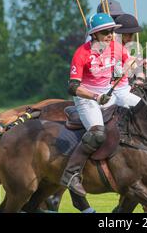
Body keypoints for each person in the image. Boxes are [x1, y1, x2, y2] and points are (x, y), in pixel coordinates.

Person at [60, 13, 141, 197]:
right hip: (87, 98)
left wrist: (138, 64)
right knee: (97, 134)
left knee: (143, 109)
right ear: (94, 35)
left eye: (112, 31)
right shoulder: (82, 53)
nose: (110, 35)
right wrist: (95, 97)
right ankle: (71, 174)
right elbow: (73, 87)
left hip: (111, 93)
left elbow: (128, 63)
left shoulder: (116, 47)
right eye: (105, 32)